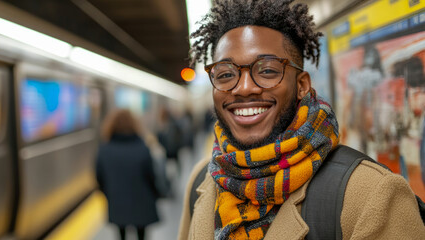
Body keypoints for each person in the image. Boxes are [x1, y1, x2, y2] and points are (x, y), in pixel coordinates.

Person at [178, 0, 425, 239]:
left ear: (301, 85)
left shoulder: (370, 195)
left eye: (266, 71)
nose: (243, 88)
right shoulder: (202, 180)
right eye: (225, 74)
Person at [96, 109, 159, 240]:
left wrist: (109, 194)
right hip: (142, 200)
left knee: (121, 233)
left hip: (117, 201)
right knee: (142, 234)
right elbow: (151, 176)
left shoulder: (104, 150)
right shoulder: (142, 148)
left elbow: (99, 178)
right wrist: (156, 193)